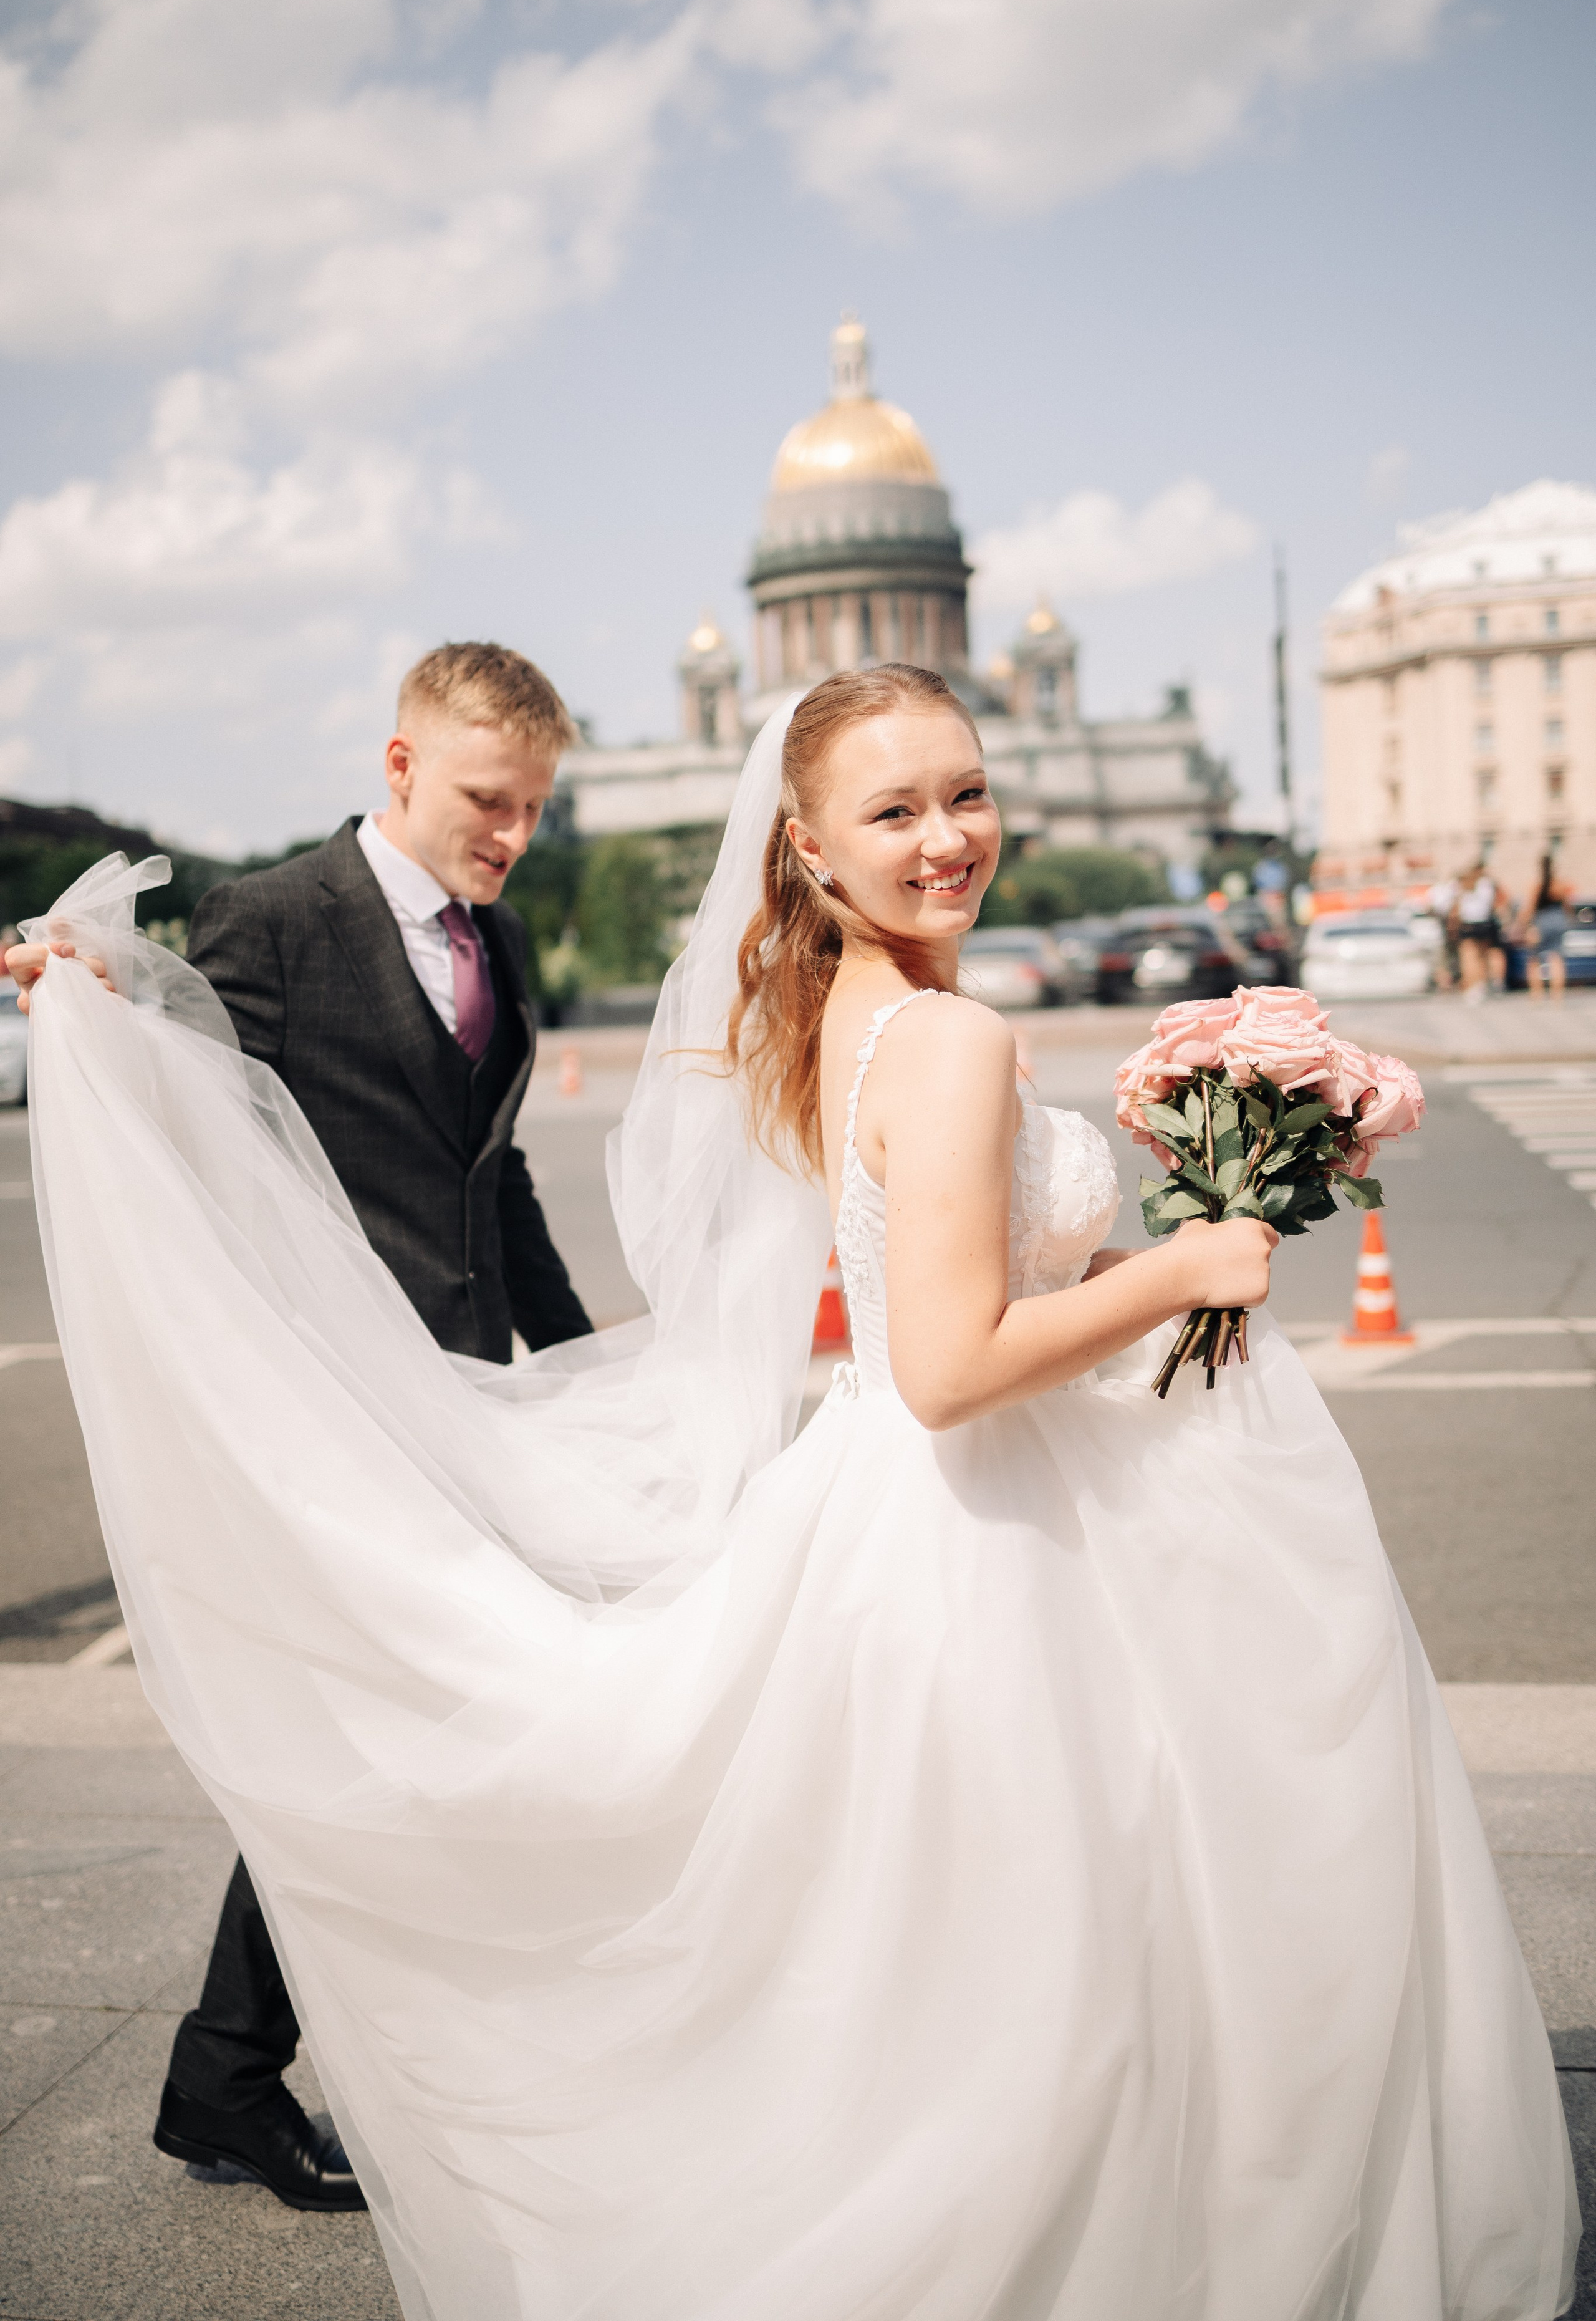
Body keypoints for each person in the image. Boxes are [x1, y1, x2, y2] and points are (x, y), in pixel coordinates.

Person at [9, 666, 1577, 2316]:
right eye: (894, 811)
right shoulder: (952, 1035)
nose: (949, 835)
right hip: (991, 1525)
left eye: (965, 793)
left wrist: (1127, 1261)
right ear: (813, 851)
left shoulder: (847, 1006)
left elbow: (947, 1261)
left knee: (1001, 1966)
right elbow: (951, 1364)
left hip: (927, 1516)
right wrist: (1191, 1259)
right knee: (1080, 1949)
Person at [15, 640, 592, 2215]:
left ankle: (229, 2074)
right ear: (399, 766)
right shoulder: (273, 918)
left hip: (468, 1397)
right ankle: (244, 2072)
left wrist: (583, 1368)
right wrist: (88, 988)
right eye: (489, 798)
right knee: (394, 1732)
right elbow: (185, 1086)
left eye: (535, 805)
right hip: (334, 1407)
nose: (512, 832)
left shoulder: (504, 933)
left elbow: (496, 1169)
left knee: (413, 1735)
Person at [1515, 851, 1575, 1002]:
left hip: (1542, 922)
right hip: (1559, 921)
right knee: (1557, 958)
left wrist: (1523, 925)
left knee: (1534, 959)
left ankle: (1537, 994)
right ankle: (1557, 995)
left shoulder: (1538, 885)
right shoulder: (1559, 884)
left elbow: (1530, 908)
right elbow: (1568, 907)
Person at [1456, 859, 1507, 1002]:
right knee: (1484, 956)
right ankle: (1484, 984)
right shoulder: (1487, 884)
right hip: (1484, 923)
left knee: (1469, 958)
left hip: (1467, 924)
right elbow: (1493, 903)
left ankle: (1472, 988)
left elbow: (1457, 906)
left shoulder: (1464, 884)